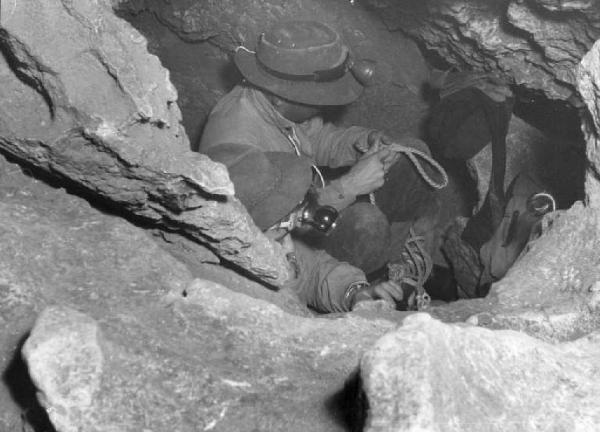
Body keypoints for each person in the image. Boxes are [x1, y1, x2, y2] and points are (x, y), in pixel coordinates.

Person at [199, 20, 447, 306]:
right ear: (281, 97)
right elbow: (278, 230)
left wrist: (361, 142)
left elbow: (316, 137)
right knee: (367, 224)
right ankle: (376, 278)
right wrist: (348, 186)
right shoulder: (235, 151)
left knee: (412, 154)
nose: (327, 105)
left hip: (305, 208)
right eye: (320, 99)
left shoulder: (275, 103)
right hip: (295, 230)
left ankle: (399, 265)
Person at [205, 143, 409, 313]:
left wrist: (356, 293)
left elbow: (314, 270)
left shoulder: (275, 238)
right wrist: (285, 283)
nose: (298, 224)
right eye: (284, 221)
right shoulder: (221, 283)